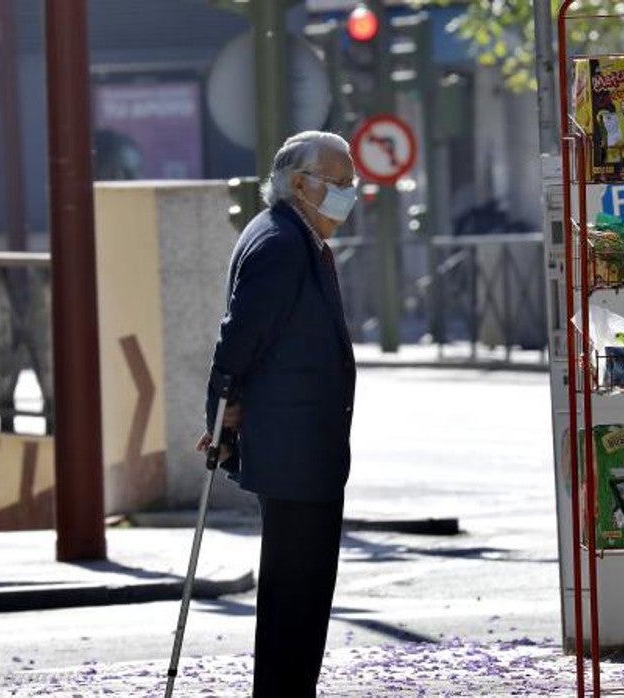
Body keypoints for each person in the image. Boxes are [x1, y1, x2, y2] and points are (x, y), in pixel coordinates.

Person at [197, 131, 358, 697]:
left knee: (305, 597)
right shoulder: (281, 243)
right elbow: (238, 339)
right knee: (296, 596)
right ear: (299, 183)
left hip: (304, 451)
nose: (348, 194)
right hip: (294, 453)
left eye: (351, 184)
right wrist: (219, 410)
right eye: (338, 184)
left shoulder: (295, 236)